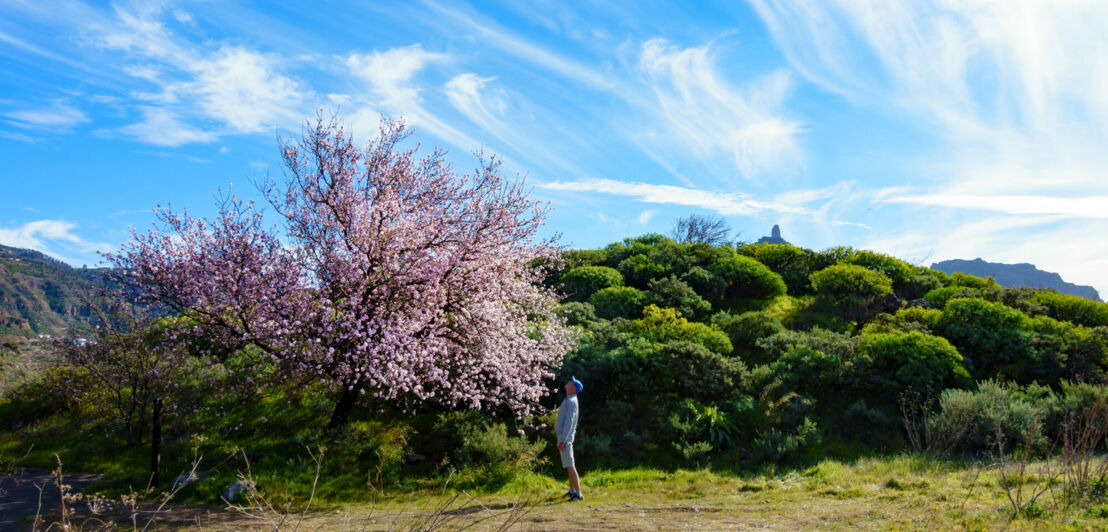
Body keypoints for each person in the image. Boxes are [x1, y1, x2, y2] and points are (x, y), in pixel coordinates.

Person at [556, 376, 583, 502]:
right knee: (568, 465)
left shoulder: (571, 401)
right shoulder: (570, 399)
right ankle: (572, 490)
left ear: (573, 388)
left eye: (570, 382)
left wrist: (563, 440)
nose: (567, 383)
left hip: (565, 439)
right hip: (564, 438)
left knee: (571, 465)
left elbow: (569, 422)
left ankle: (578, 494)